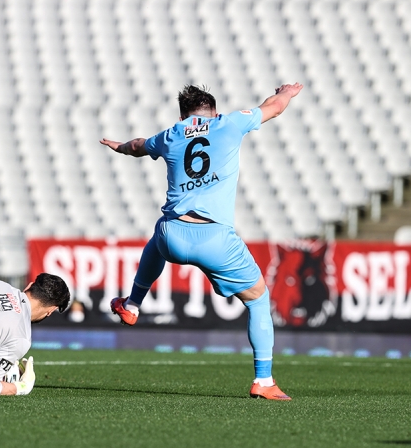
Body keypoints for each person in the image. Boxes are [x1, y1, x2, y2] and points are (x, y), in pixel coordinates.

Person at [100, 83, 303, 401]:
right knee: (258, 300)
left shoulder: (170, 135)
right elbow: (274, 107)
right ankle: (263, 381)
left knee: (159, 233)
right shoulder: (230, 123)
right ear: (215, 112)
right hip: (215, 238)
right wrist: (287, 93)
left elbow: (139, 146)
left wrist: (120, 147)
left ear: (183, 115)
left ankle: (133, 304)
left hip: (174, 236)